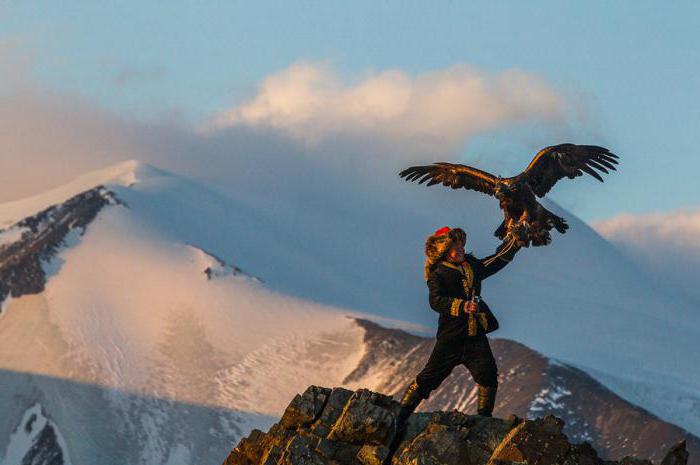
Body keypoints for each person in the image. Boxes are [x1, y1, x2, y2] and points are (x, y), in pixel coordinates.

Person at [395, 226, 521, 432]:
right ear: (444, 250)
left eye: (461, 244)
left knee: (488, 374)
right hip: (451, 338)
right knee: (429, 378)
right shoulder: (437, 274)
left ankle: (484, 420)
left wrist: (515, 245)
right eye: (455, 246)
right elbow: (435, 301)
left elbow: (494, 262)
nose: (460, 248)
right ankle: (400, 417)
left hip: (475, 335)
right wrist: (462, 306)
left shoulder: (471, 265)